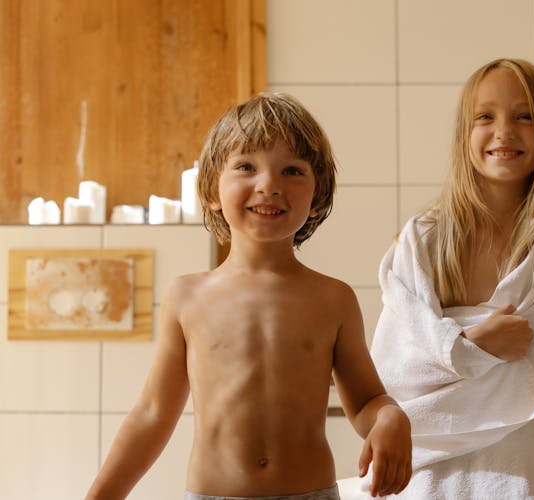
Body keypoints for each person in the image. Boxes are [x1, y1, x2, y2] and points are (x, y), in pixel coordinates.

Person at [86, 93, 412, 500]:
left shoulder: (333, 299)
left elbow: (365, 403)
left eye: (292, 170)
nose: (269, 185)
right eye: (245, 166)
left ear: (317, 198)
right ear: (211, 191)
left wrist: (391, 417)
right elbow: (153, 415)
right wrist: (100, 496)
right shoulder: (187, 297)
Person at [368, 58, 534, 499]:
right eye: (485, 117)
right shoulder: (424, 238)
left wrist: (452, 348)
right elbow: (392, 370)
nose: (504, 132)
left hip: (527, 475)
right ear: (464, 135)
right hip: (429, 478)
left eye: (524, 116)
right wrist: (472, 347)